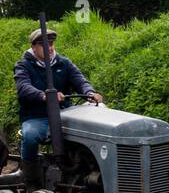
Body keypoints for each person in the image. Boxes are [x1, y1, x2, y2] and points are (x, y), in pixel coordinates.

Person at [13, 27, 103, 183]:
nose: (49, 48)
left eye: (51, 44)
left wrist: (90, 93)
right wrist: (44, 96)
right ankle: (30, 178)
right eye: (43, 45)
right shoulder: (24, 65)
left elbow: (80, 81)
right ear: (34, 47)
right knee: (30, 136)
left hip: (65, 114)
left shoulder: (64, 63)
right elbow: (24, 88)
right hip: (37, 117)